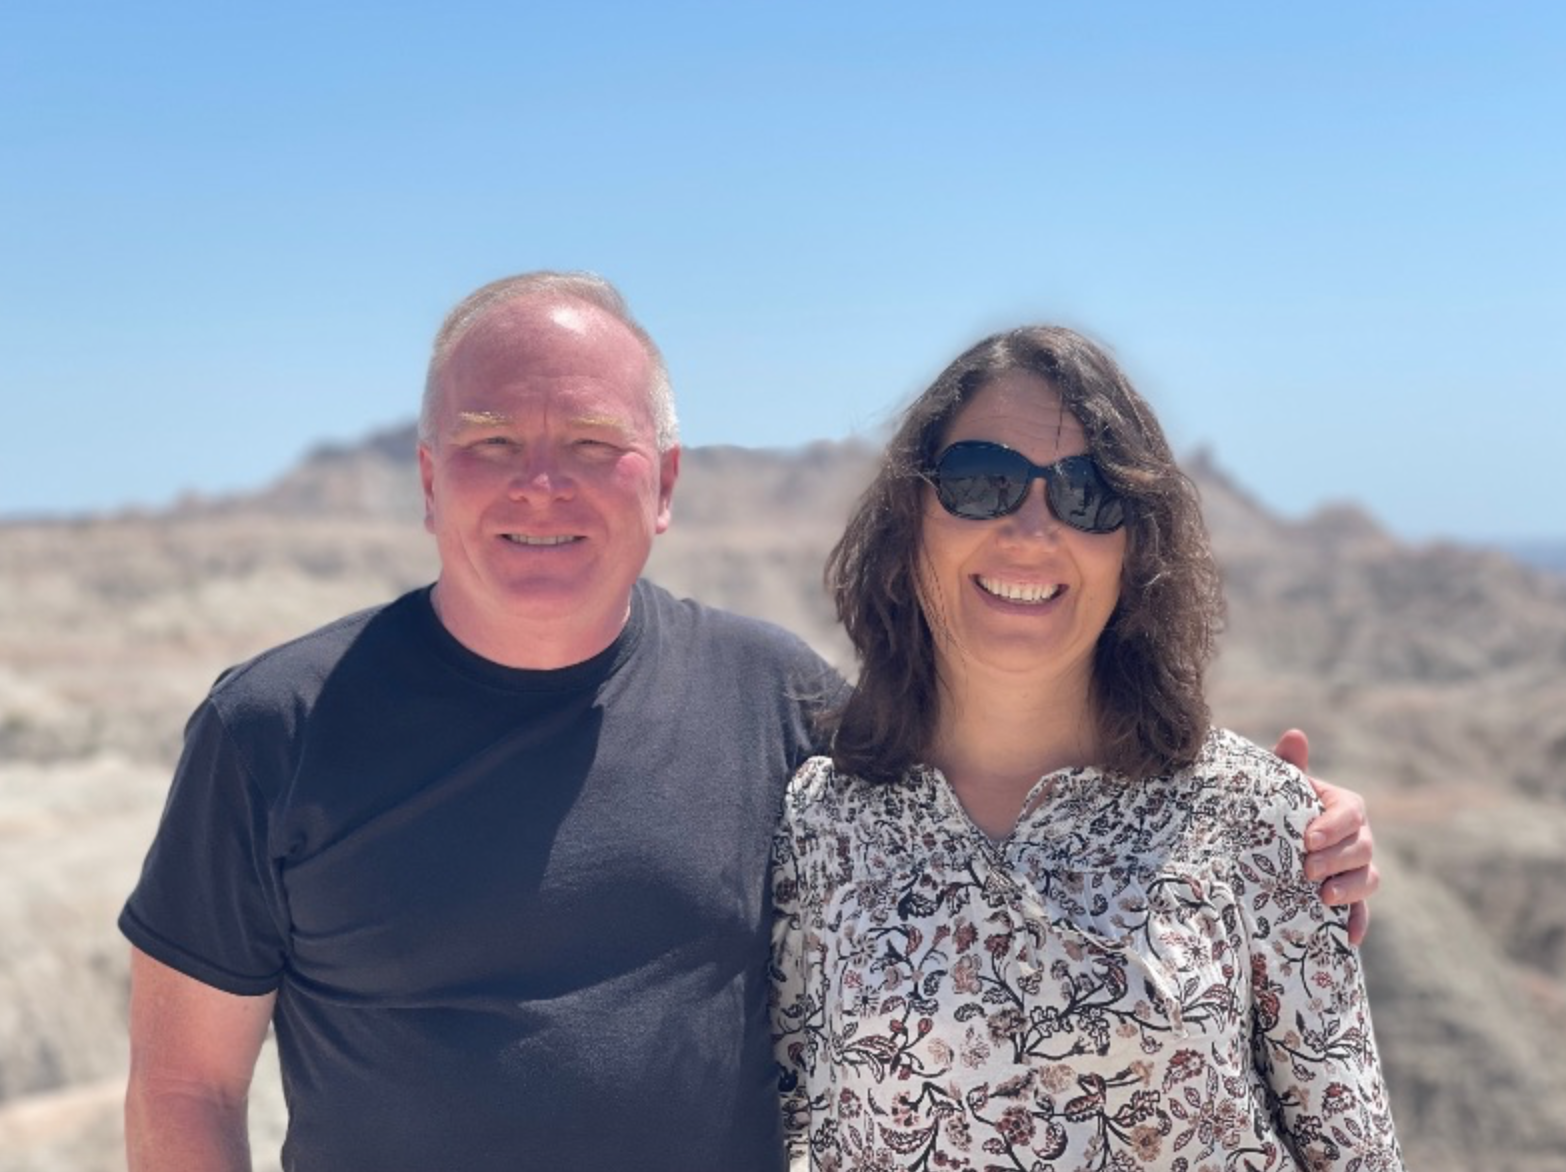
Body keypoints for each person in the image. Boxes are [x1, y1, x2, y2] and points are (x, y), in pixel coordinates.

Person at [120, 273, 1379, 1172]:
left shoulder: (778, 707)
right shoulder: (271, 729)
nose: (541, 480)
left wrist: (1303, 834)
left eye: (595, 440)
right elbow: (184, 1085)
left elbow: (1016, 742)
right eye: (493, 437)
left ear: (663, 482)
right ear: (428, 473)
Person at [771, 325, 1403, 1169]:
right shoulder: (821, 822)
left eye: (1088, 495)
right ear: (910, 515)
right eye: (980, 481)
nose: (1032, 529)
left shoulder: (1260, 818)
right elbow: (785, 1128)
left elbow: (1355, 1152)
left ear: (1136, 545)